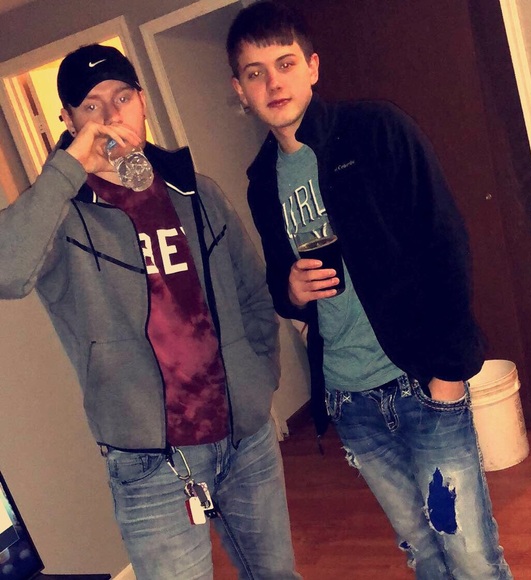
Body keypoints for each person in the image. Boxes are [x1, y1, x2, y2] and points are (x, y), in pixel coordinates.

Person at [226, 2, 512, 579]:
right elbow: (280, 285)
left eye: (285, 64)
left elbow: (444, 242)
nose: (273, 83)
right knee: (422, 552)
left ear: (312, 67)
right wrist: (291, 290)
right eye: (255, 72)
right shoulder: (261, 183)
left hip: (421, 380)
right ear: (240, 90)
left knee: (470, 556)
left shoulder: (375, 130)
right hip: (350, 400)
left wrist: (448, 372)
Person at [0, 43, 301, 580]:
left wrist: (257, 382)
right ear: (68, 121)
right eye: (91, 106)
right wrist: (68, 168)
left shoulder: (197, 193)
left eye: (122, 97)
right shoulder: (61, 217)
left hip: (244, 437)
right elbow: (7, 270)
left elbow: (253, 292)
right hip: (149, 464)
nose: (111, 115)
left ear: (142, 101)